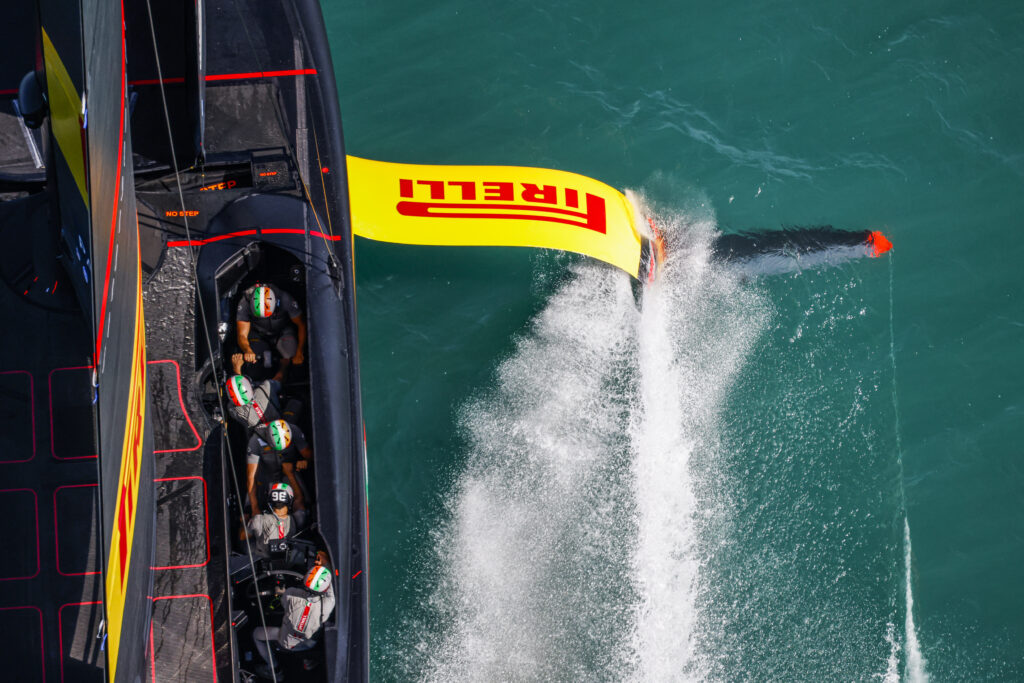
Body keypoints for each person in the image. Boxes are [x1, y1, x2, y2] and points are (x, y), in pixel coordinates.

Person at [252, 561, 336, 678]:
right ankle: (307, 659)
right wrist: (326, 566)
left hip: (286, 642)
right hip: (309, 643)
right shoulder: (327, 606)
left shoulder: (292, 595)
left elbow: (283, 602)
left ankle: (274, 669)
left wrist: (280, 592)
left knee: (256, 634)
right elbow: (330, 590)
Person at [236, 283, 306, 382]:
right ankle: (264, 379)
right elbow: (242, 335)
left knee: (292, 356)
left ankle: (282, 374)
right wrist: (247, 350)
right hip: (258, 334)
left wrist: (300, 351)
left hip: (282, 331)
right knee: (255, 362)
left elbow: (301, 325)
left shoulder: (285, 299)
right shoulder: (244, 303)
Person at [245, 419, 313, 518]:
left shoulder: (294, 430)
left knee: (303, 505)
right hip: (267, 476)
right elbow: (251, 477)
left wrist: (305, 462)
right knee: (247, 513)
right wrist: (255, 509)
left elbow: (310, 455)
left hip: (290, 472)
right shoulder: (255, 441)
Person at [242, 482, 305, 559]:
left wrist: (245, 520)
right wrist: (290, 473)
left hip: (262, 563)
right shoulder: (297, 520)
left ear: (270, 499)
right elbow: (299, 500)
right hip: (289, 566)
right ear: (290, 500)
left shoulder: (258, 520)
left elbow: (242, 537)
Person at [224, 354, 283, 429]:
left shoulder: (235, 411)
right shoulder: (265, 388)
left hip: (260, 435)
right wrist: (284, 365)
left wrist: (236, 369)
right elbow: (279, 379)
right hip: (280, 425)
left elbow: (231, 403)